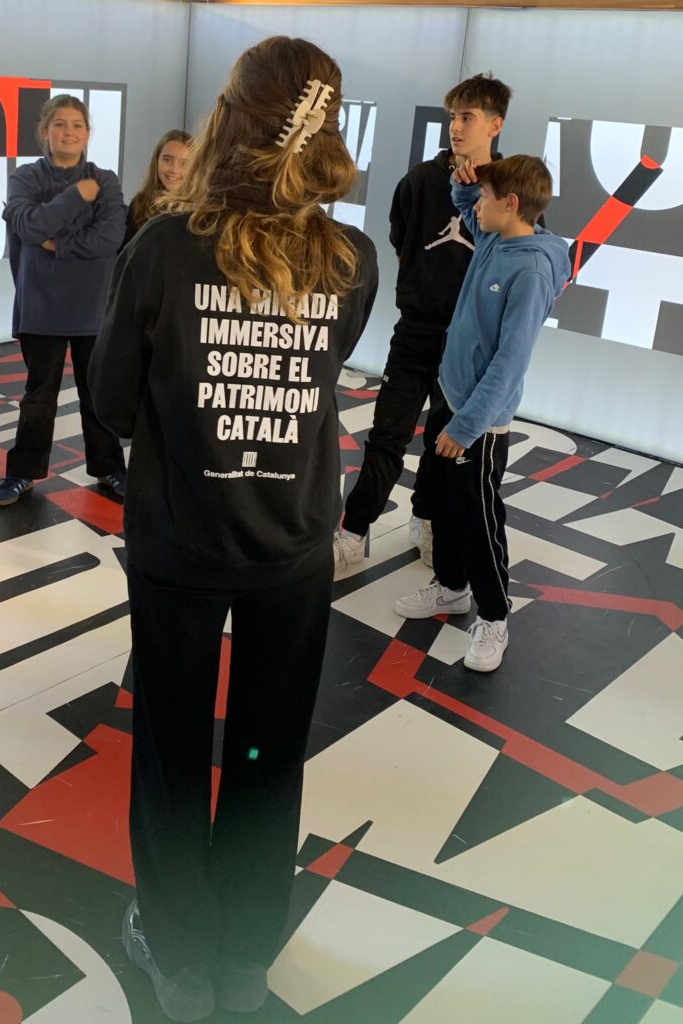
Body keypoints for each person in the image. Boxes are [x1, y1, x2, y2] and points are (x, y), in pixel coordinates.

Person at [90, 37, 378, 1023]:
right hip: (291, 546)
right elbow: (320, 376)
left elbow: (112, 402)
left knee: (171, 756)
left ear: (231, 118)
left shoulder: (163, 248)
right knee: (266, 757)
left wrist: (194, 418)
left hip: (179, 542)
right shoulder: (352, 259)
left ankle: (179, 963)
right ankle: (243, 962)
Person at [393, 155, 570, 672]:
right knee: (446, 505)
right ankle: (451, 588)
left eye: (487, 198)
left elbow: (510, 363)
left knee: (477, 516)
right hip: (451, 397)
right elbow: (469, 208)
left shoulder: (532, 270)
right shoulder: (496, 237)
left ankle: (494, 616)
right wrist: (464, 186)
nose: (476, 209)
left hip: (480, 422)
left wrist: (468, 426)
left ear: (510, 204)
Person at [334, 73, 511, 576]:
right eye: (453, 116)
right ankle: (354, 530)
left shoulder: (509, 188)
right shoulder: (419, 181)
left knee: (444, 441)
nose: (456, 126)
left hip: (469, 344)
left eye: (468, 117)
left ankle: (426, 520)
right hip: (416, 331)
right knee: (388, 434)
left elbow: (519, 252)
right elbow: (401, 239)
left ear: (494, 124)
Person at [0, 95, 127, 507]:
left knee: (95, 393)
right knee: (39, 395)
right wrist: (75, 198)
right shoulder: (26, 177)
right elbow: (30, 227)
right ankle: (22, 472)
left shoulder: (105, 179)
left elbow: (110, 237)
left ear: (88, 133)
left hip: (93, 309)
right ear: (44, 131)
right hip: (41, 305)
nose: (69, 132)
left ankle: (109, 467)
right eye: (60, 124)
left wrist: (56, 243)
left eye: (77, 125)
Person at [123, 129, 191, 246]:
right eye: (167, 160)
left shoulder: (201, 209)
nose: (174, 170)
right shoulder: (139, 203)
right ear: (157, 161)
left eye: (183, 163)